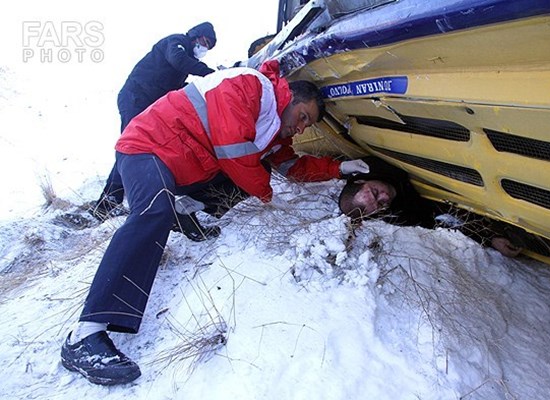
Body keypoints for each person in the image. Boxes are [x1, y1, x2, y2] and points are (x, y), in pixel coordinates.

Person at [60, 60, 368, 386]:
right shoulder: (250, 86)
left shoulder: (272, 130)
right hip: (147, 147)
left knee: (246, 175)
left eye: (309, 126)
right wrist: (267, 195)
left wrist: (340, 170)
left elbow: (293, 166)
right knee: (154, 212)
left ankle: (189, 210)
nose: (303, 127)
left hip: (180, 167)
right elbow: (232, 148)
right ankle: (85, 335)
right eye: (303, 116)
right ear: (288, 97)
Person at [91, 22, 218, 221]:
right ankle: (107, 203)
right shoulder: (176, 43)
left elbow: (175, 85)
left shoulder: (185, 61)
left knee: (141, 149)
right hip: (135, 97)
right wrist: (211, 74)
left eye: (208, 47)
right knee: (130, 147)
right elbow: (178, 60)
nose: (205, 48)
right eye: (204, 42)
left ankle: (121, 199)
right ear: (195, 36)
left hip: (148, 105)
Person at [338, 156, 523, 258]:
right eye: (380, 204)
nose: (385, 197)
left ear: (361, 180)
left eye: (376, 192)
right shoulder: (403, 213)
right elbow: (445, 219)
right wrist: (491, 237)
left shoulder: (370, 164)